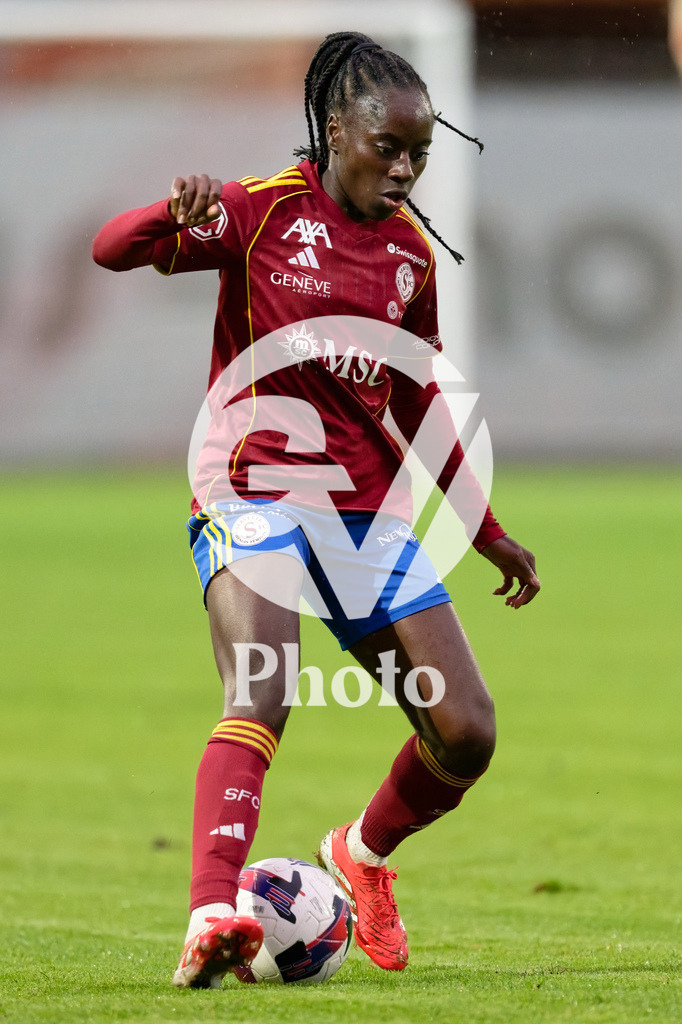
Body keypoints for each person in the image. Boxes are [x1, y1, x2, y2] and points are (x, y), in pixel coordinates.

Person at [92, 30, 540, 989]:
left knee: (466, 731)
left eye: (421, 151)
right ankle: (211, 911)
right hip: (253, 494)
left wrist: (486, 527)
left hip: (366, 517)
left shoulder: (411, 257)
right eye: (390, 146)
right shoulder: (257, 214)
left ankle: (361, 858)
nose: (408, 168)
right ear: (336, 130)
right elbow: (110, 249)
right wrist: (171, 211)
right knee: (263, 691)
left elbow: (418, 396)